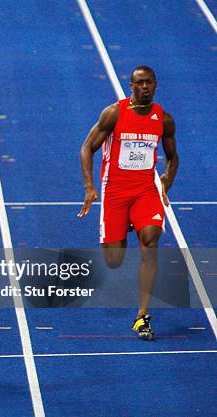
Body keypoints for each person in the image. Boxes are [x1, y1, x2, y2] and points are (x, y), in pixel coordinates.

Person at [78, 66, 178, 340]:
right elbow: (87, 148)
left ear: (155, 85)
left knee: (151, 240)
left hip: (146, 190)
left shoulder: (164, 120)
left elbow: (172, 156)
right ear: (131, 86)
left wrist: (166, 181)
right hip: (115, 193)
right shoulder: (114, 113)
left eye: (149, 83)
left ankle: (141, 316)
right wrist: (89, 186)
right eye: (139, 83)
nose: (144, 87)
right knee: (114, 260)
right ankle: (126, 224)